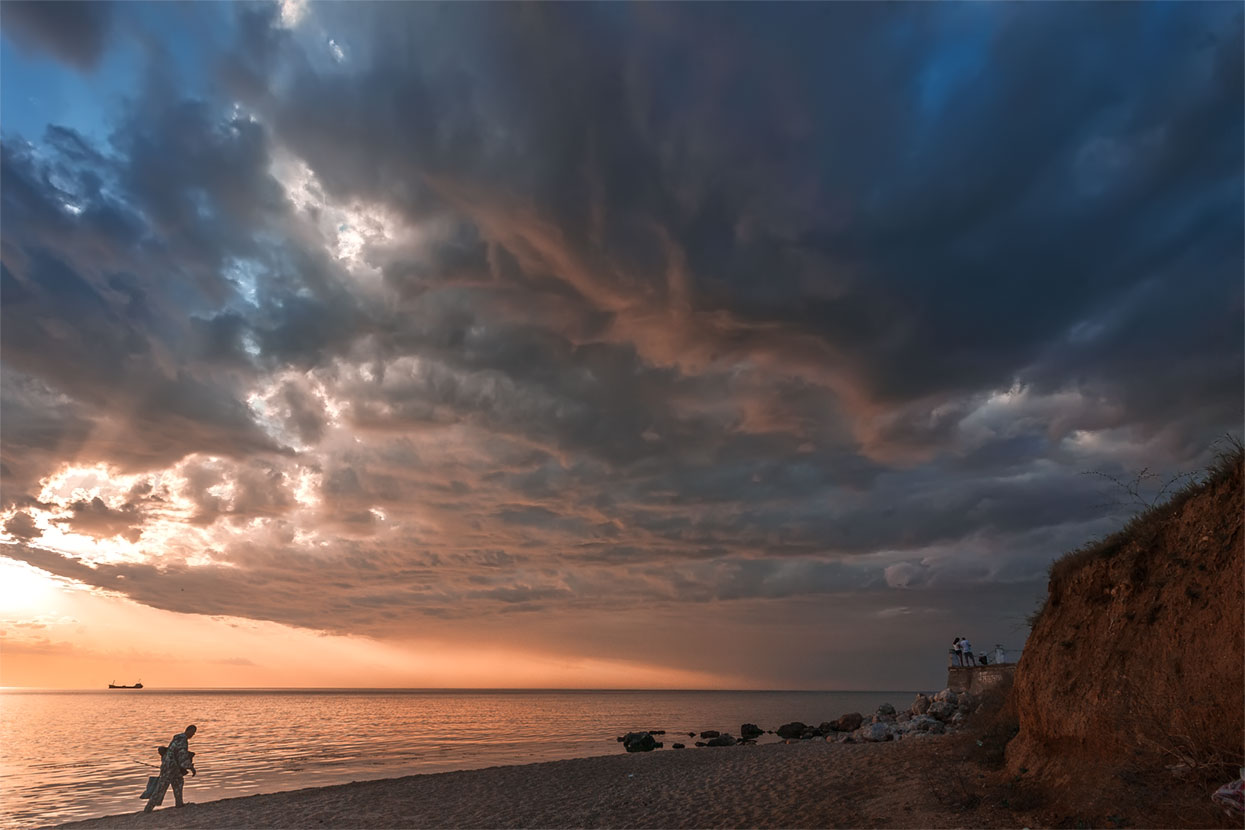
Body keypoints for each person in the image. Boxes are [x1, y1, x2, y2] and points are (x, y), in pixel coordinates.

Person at [144, 724, 197, 812]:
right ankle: (148, 808)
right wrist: (190, 767)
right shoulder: (183, 740)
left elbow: (173, 751)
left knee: (178, 782)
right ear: (188, 731)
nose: (193, 735)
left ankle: (179, 804)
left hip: (170, 766)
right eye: (193, 732)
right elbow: (182, 755)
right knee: (161, 787)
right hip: (171, 767)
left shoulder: (177, 738)